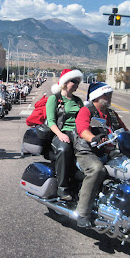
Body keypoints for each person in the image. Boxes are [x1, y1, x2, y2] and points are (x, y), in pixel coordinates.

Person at [74, 82, 128, 228]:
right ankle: (82, 213)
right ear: (96, 96)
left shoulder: (112, 114)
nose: (109, 97)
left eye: (110, 94)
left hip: (108, 151)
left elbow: (125, 131)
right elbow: (82, 130)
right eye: (106, 94)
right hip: (87, 152)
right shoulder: (87, 111)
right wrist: (93, 138)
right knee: (97, 169)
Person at [46, 69, 84, 201]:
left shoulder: (78, 101)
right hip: (60, 133)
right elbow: (51, 122)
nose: (76, 84)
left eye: (78, 82)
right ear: (65, 82)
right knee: (64, 149)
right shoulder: (54, 99)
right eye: (74, 81)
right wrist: (60, 135)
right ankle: (63, 188)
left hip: (78, 134)